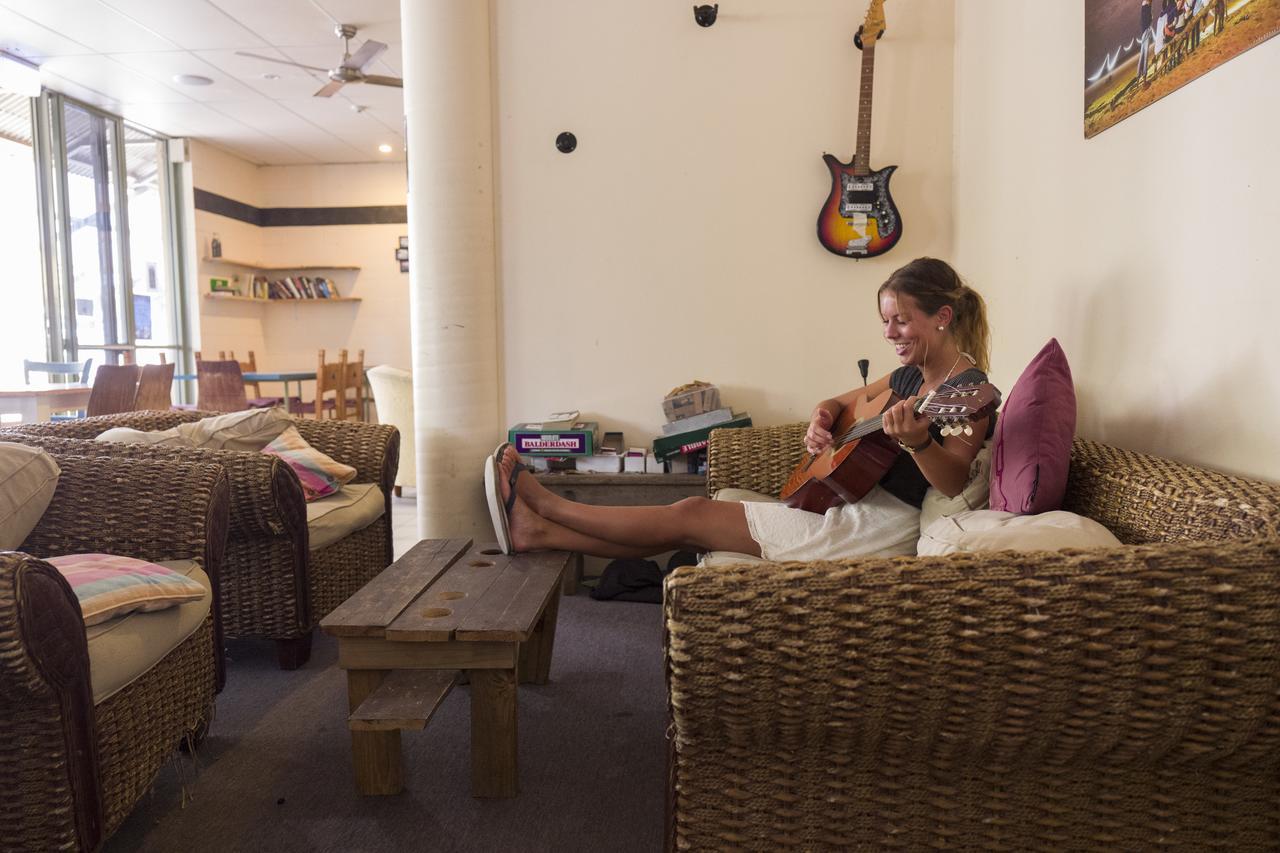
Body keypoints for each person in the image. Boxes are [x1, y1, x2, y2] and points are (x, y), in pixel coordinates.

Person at [484, 257, 996, 561]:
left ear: (942, 318)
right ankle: (539, 532)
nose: (889, 335)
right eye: (886, 322)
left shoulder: (968, 393)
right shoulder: (910, 376)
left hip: (878, 525)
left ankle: (547, 505)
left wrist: (919, 441)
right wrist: (822, 425)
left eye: (901, 322)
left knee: (690, 512)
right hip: (846, 500)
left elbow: (951, 481)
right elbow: (838, 404)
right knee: (687, 521)